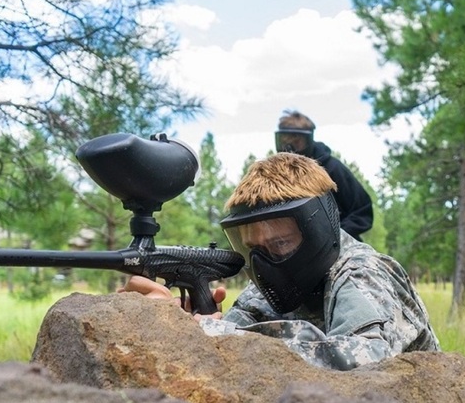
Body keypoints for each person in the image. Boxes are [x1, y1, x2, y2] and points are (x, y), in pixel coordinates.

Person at [123, 152, 440, 370]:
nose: (264, 261)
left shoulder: (361, 273)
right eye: (253, 248)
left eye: (280, 243)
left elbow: (366, 361)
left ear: (316, 229)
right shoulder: (272, 280)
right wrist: (182, 328)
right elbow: (228, 341)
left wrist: (224, 336)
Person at [274, 110, 373, 241]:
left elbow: (362, 211)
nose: (290, 149)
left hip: (340, 247)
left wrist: (335, 236)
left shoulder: (332, 169)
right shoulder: (277, 176)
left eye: (296, 142)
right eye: (285, 142)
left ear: (308, 141)